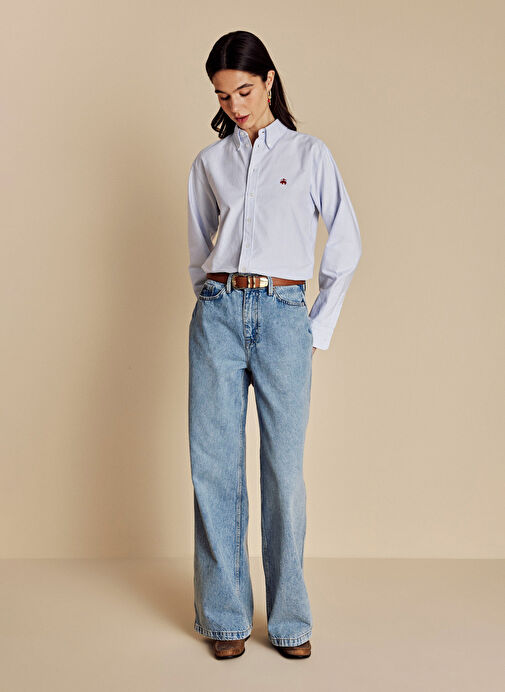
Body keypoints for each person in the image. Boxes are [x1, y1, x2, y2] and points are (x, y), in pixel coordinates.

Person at [187, 30, 362, 660]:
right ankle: (225, 617)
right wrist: (214, 299)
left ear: (268, 81)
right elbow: (199, 249)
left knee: (284, 473)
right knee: (214, 469)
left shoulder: (310, 154)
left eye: (243, 90)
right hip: (217, 314)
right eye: (222, 95)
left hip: (284, 315)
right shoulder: (209, 163)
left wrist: (315, 326)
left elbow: (346, 244)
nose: (234, 105)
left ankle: (289, 621)